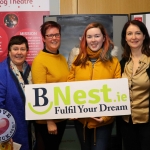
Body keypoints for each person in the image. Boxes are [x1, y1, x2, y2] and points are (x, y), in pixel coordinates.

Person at [67, 22, 121, 150]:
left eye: (97, 36)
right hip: (81, 120)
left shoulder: (113, 62)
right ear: (85, 39)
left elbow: (118, 92)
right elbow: (70, 85)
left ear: (104, 38)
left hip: (103, 122)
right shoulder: (78, 60)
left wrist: (105, 117)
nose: (93, 40)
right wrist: (71, 110)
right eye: (89, 37)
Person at [31, 21, 69, 150]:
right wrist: (49, 120)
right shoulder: (40, 61)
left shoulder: (62, 58)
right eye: (50, 35)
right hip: (47, 120)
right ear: (43, 38)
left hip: (61, 116)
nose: (54, 38)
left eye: (57, 35)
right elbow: (39, 94)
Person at [119, 20, 150, 150]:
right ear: (125, 38)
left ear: (144, 36)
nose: (134, 37)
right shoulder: (122, 63)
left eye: (138, 33)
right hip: (127, 122)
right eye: (130, 33)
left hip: (147, 122)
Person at [0, 35, 32, 150]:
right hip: (10, 131)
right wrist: (4, 133)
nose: (19, 52)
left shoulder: (30, 70)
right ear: (9, 51)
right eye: (15, 49)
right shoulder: (2, 71)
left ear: (27, 52)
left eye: (22, 49)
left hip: (30, 129)